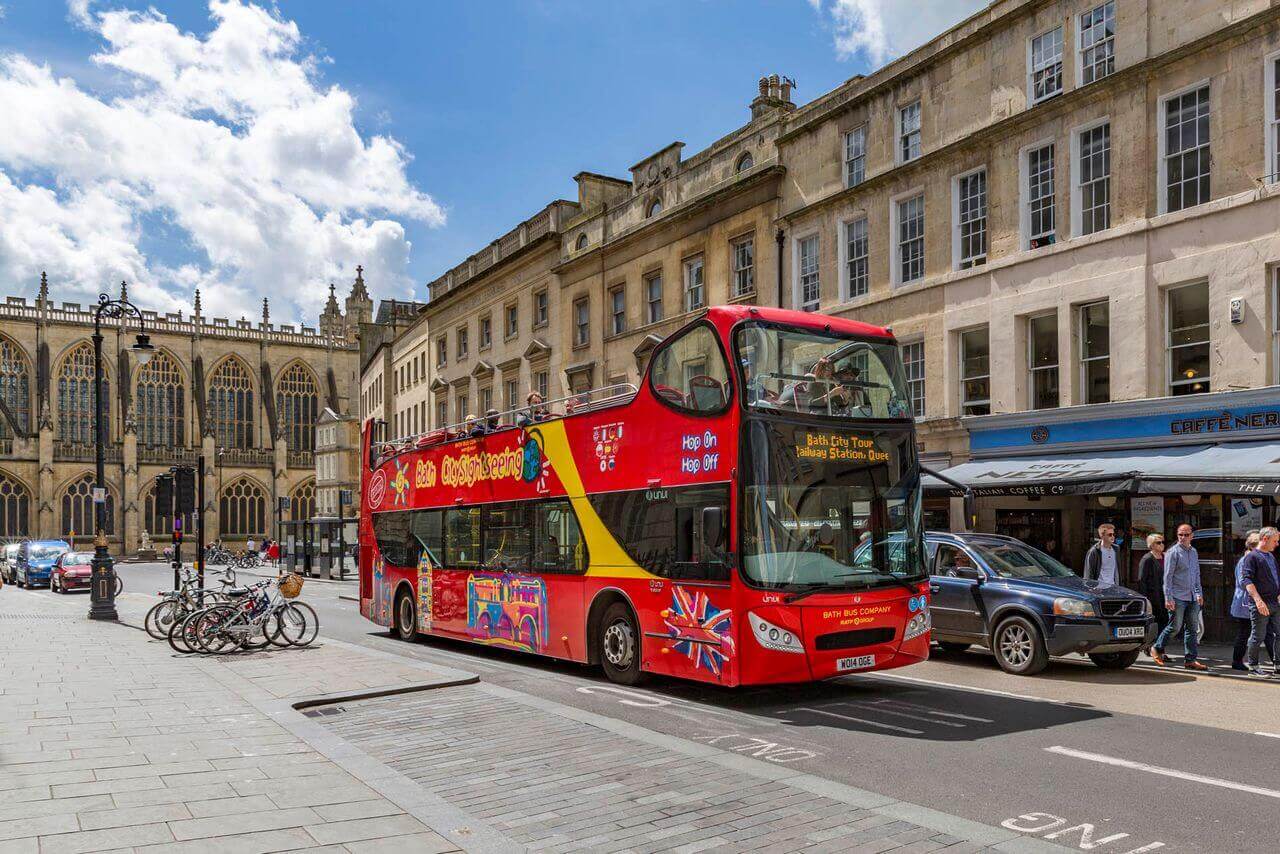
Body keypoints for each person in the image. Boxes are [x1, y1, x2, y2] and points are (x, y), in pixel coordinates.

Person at [1151, 524, 1208, 670]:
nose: (1183, 537)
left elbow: (1196, 575)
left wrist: (1199, 593)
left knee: (1192, 629)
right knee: (1175, 627)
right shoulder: (1173, 552)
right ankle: (1157, 647)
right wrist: (1168, 598)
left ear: (1192, 536)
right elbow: (1168, 577)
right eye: (1180, 535)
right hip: (1177, 596)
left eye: (1186, 535)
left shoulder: (1194, 552)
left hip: (1192, 596)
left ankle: (1190, 660)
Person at [1231, 531, 1275, 671]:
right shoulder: (1246, 560)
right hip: (1247, 603)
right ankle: (1237, 661)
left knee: (1267, 632)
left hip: (1258, 602)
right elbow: (1243, 582)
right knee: (1246, 633)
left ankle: (1276, 661)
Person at [1241, 526, 1280, 677]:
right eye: (1275, 541)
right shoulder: (1252, 557)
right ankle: (1253, 666)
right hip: (1261, 603)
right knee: (1258, 635)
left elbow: (1276, 577)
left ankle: (1277, 665)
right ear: (1265, 539)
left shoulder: (1270, 556)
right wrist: (1258, 601)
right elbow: (1247, 580)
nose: (1277, 544)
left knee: (1279, 634)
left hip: (1275, 602)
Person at [1137, 532, 1169, 647]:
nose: (1162, 545)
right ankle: (1152, 646)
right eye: (1158, 542)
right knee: (1156, 620)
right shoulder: (1147, 559)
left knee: (1165, 620)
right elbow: (1142, 580)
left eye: (1163, 542)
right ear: (1151, 545)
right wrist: (1145, 598)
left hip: (1165, 594)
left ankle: (1159, 646)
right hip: (1153, 595)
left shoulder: (1166, 557)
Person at [1082, 523, 1121, 587]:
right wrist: (1091, 588)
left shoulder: (1116, 549)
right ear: (1102, 536)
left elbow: (1117, 571)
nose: (1113, 537)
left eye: (1114, 534)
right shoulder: (1094, 551)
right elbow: (1088, 573)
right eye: (1110, 535)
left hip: (1113, 588)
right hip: (1099, 589)